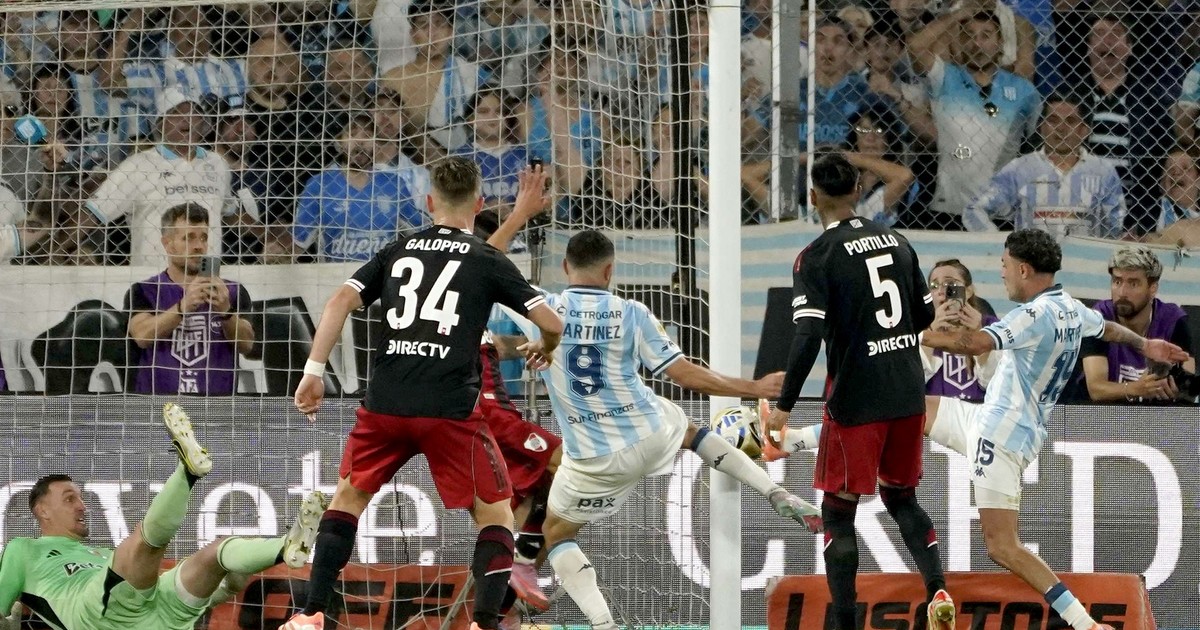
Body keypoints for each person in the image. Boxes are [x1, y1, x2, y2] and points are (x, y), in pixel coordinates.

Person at [280, 157, 565, 630]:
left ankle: (309, 615)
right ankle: (484, 623)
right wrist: (546, 346)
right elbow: (550, 323)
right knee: (495, 515)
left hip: (386, 403)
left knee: (347, 498)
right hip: (450, 410)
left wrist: (313, 371)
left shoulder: (398, 249)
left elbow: (339, 301)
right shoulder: (487, 258)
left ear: (430, 202)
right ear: (479, 203)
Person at [503, 229, 820, 630]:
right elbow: (685, 376)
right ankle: (774, 491)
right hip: (649, 433)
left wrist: (519, 217)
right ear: (610, 270)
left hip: (592, 458)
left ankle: (603, 624)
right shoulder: (632, 312)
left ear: (565, 267)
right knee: (690, 431)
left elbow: (486, 261)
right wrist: (754, 387)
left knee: (555, 532)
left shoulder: (540, 308)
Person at [920, 229, 1189, 630]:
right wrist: (1144, 344)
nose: (1002, 273)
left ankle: (1085, 623)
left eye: (1005, 265)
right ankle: (829, 459)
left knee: (1002, 546)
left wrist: (910, 336)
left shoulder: (1032, 315)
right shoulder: (1070, 307)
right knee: (908, 408)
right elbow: (1107, 329)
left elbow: (976, 344)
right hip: (987, 418)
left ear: (1023, 269)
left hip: (1000, 437)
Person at [762, 153, 954, 630]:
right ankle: (937, 589)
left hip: (856, 398)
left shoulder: (816, 256)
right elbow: (925, 315)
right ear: (856, 190)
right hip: (907, 391)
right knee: (902, 499)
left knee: (838, 511)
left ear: (812, 197)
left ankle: (845, 623)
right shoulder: (898, 242)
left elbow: (808, 335)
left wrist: (784, 407)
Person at [0, 403, 327, 630]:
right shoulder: (24, 549)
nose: (83, 506)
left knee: (215, 554)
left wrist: (227, 587)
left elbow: (179, 592)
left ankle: (287, 546)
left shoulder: (101, 554)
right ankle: (187, 472)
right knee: (143, 546)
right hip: (98, 616)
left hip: (157, 618)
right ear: (42, 510)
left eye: (82, 498)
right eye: (69, 499)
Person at [909, 9, 1041, 230]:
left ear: (1000, 44)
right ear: (960, 43)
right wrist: (956, 15)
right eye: (969, 35)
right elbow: (915, 46)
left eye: (985, 35)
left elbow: (1038, 141)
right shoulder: (946, 78)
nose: (977, 43)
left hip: (1001, 210)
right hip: (949, 210)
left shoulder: (1023, 90)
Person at [125, 203, 256, 396]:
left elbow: (246, 345)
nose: (199, 246)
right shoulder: (145, 290)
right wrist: (182, 307)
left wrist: (226, 312)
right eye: (189, 238)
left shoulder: (232, 291)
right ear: (167, 243)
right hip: (157, 405)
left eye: (203, 238)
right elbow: (142, 335)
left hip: (218, 405)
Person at [964, 92, 1126, 238]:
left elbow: (1115, 223)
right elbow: (974, 210)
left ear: (1085, 130)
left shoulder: (1103, 171)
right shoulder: (1020, 169)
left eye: (1070, 121)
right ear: (1041, 127)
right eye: (1053, 121)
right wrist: (998, 244)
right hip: (1030, 260)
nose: (1061, 128)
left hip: (1083, 259)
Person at [1079, 246, 1196, 403]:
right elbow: (1096, 389)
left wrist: (1178, 391)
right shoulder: (1099, 317)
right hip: (1105, 413)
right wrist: (1137, 388)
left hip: (1156, 414)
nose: (1122, 292)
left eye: (1133, 284)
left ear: (1152, 289)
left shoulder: (1173, 320)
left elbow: (1188, 387)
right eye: (1117, 281)